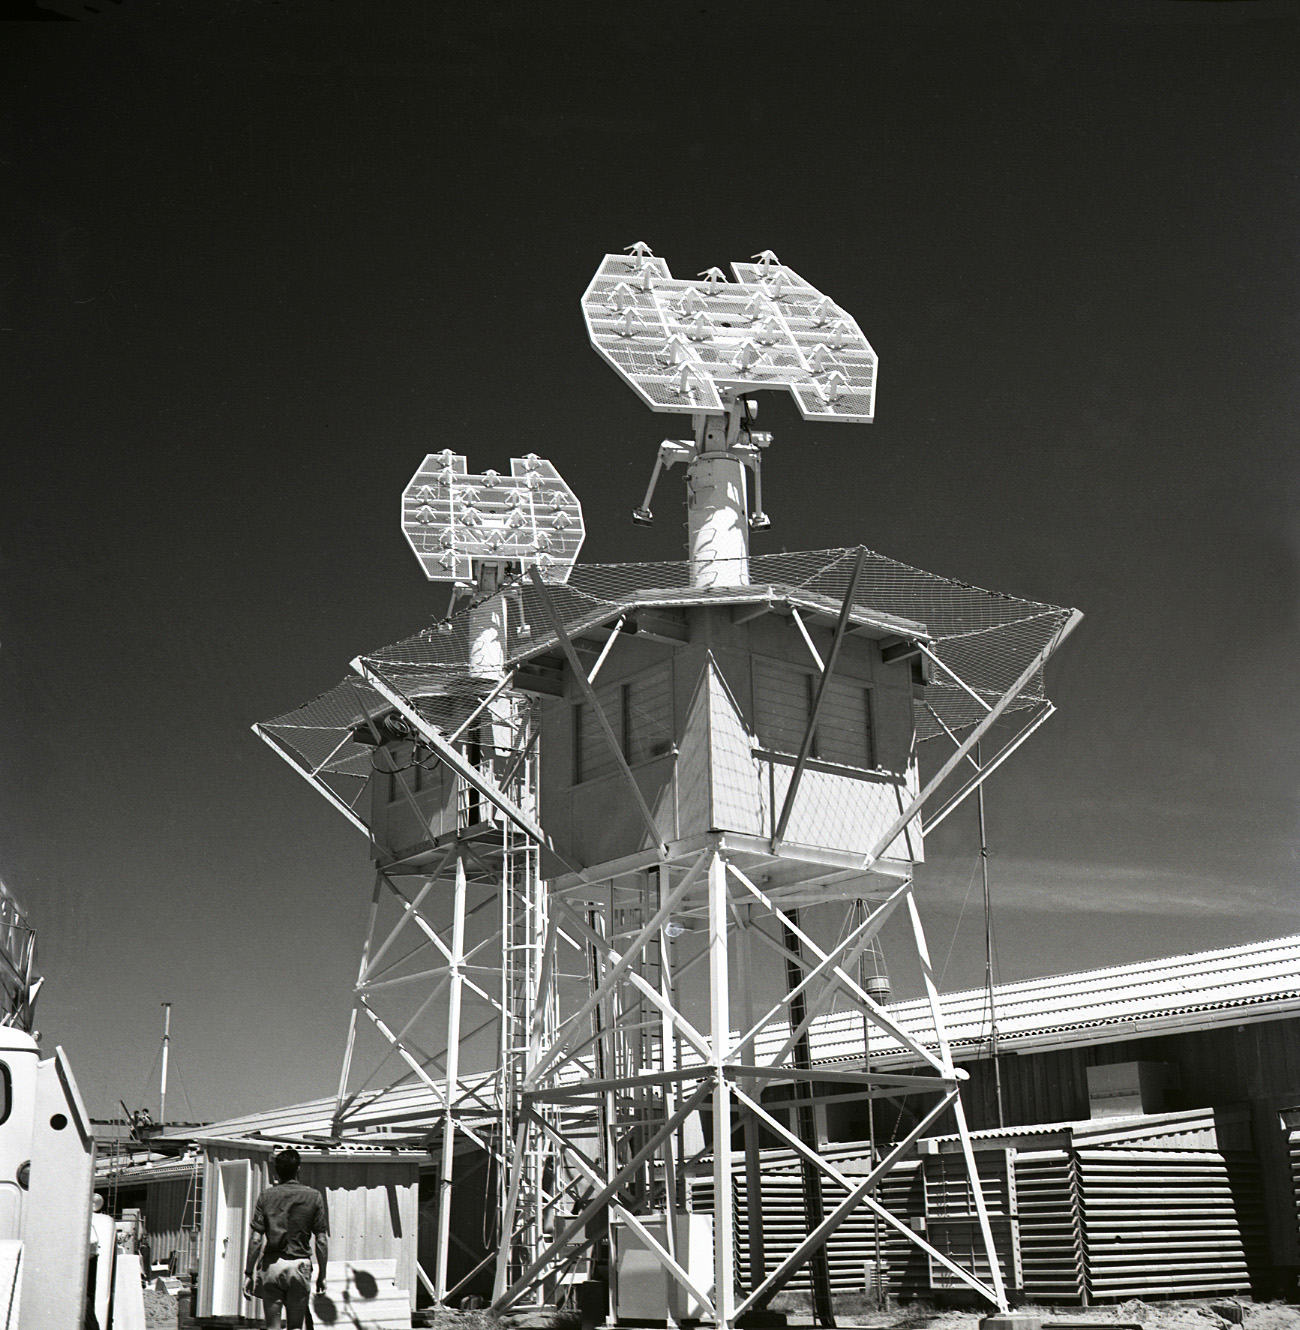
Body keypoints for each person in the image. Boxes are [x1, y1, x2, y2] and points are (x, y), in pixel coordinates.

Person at [243, 1147, 329, 1330]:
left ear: (276, 1171)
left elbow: (256, 1240)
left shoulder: (266, 1196)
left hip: (273, 1265)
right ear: (298, 1169)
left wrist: (249, 1273)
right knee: (296, 1327)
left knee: (272, 1327)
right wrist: (322, 1274)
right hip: (299, 1265)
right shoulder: (314, 1196)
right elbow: (321, 1240)